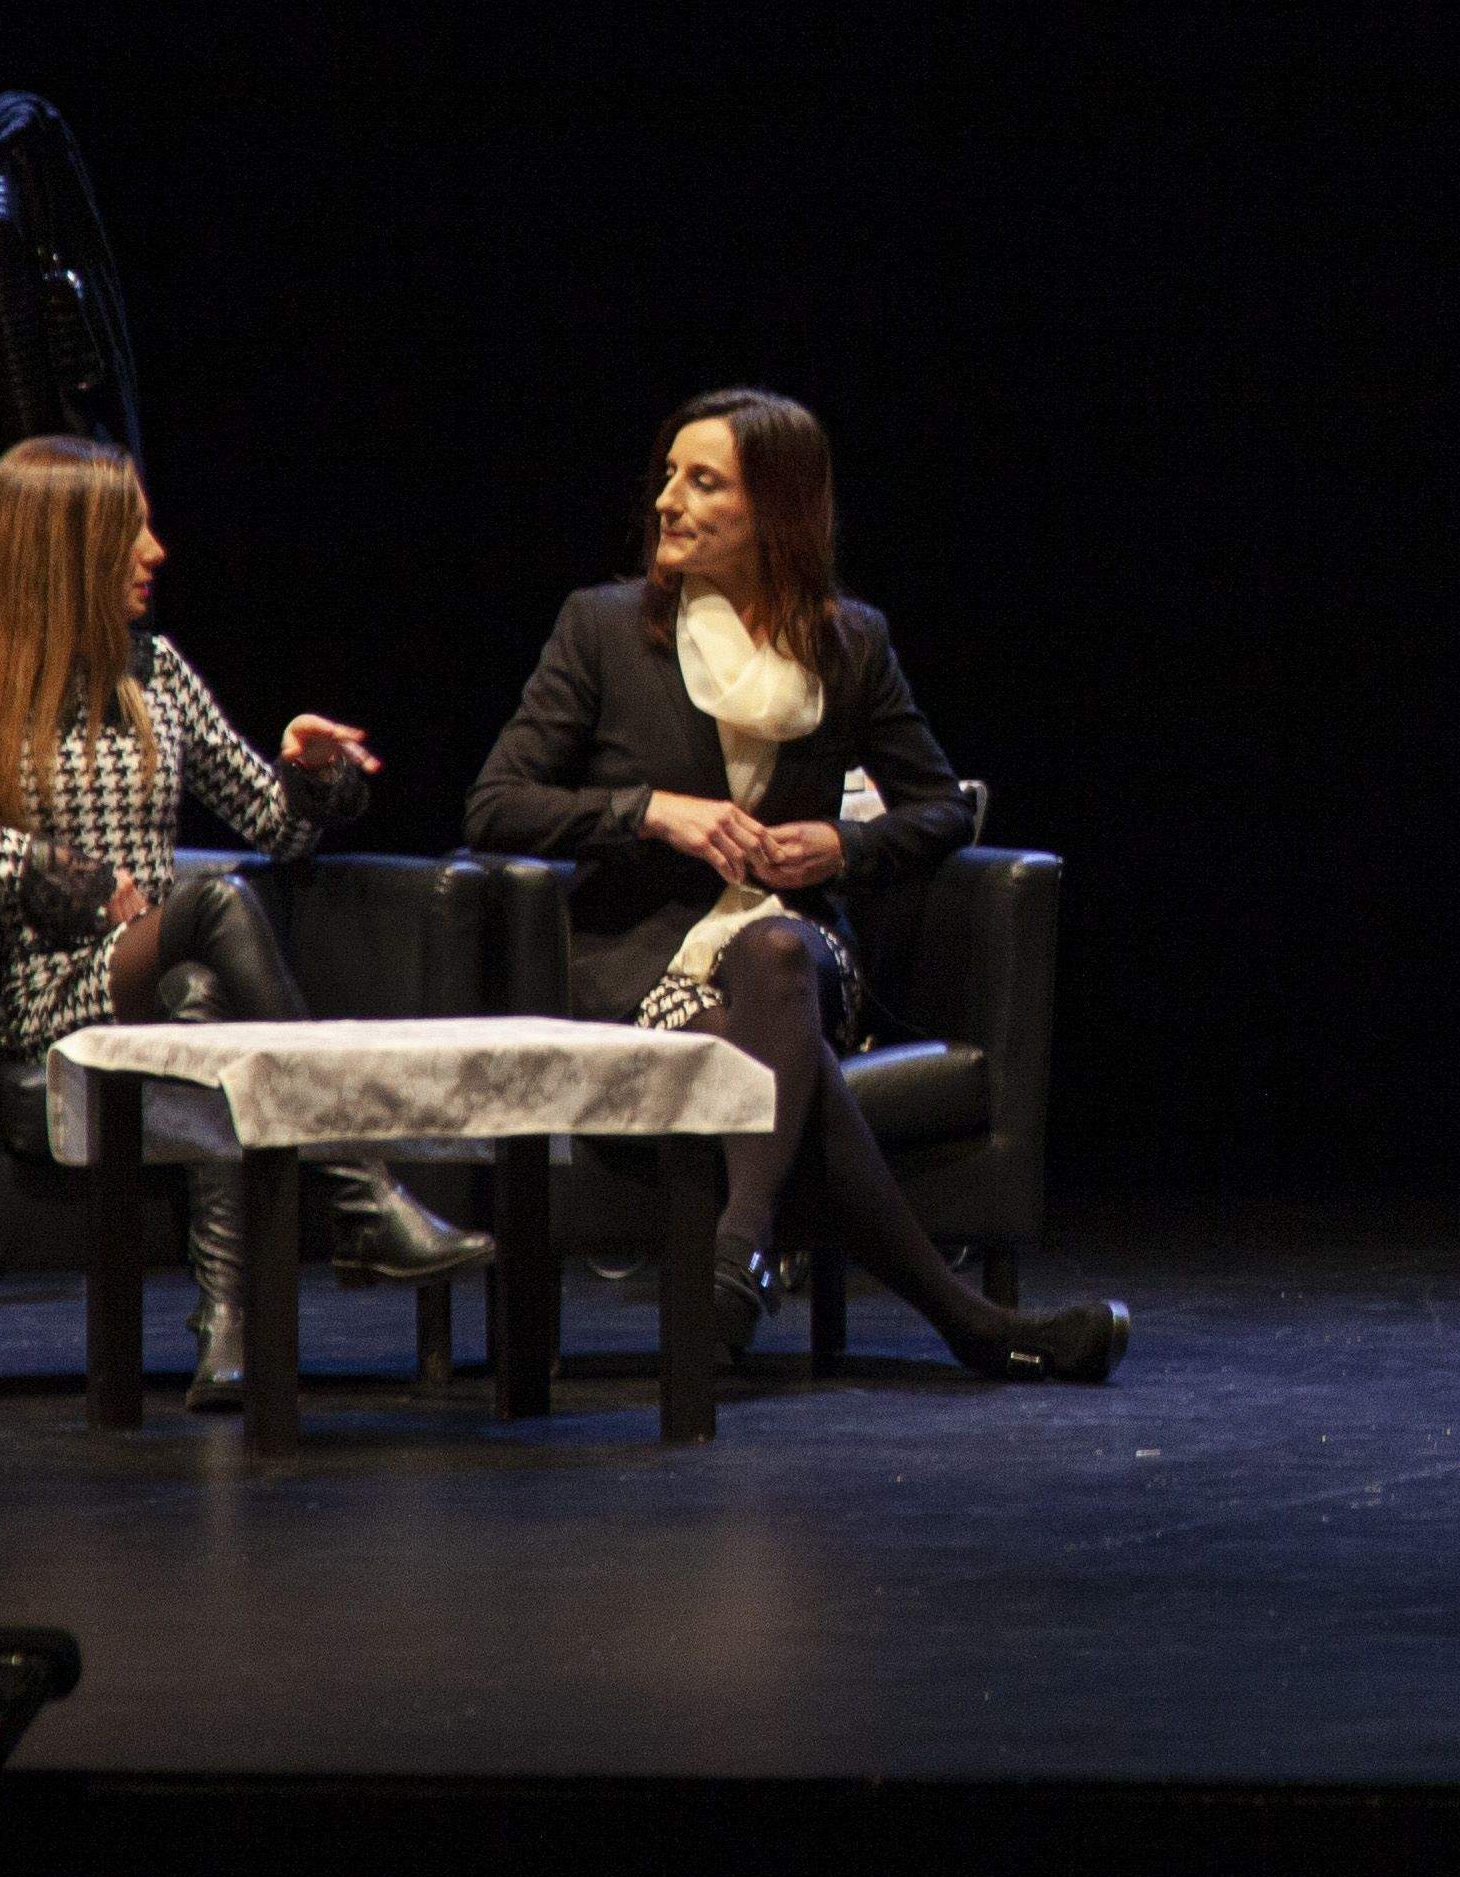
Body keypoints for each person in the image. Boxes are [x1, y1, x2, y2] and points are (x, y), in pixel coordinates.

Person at [466, 388, 1132, 1382]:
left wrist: (839, 849)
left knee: (777, 949)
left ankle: (733, 1257)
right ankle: (968, 1322)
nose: (666, 501)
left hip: (796, 963)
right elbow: (494, 805)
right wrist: (650, 810)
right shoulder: (602, 629)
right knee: (787, 1064)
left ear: (776, 508)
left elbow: (941, 806)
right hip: (643, 972)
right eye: (666, 476)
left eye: (703, 482)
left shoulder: (847, 643)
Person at [0, 437, 486, 1394]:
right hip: (44, 987)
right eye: (129, 531)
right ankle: (358, 1187)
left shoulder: (153, 669)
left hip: (156, 975)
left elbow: (277, 826)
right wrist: (39, 866)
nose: (155, 551)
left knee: (197, 995)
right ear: (61, 548)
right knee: (214, 911)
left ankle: (225, 1325)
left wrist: (313, 775)